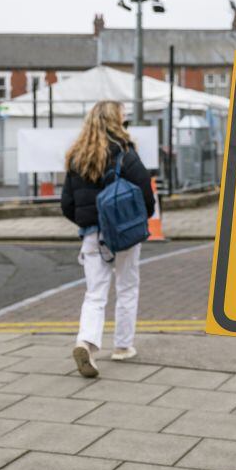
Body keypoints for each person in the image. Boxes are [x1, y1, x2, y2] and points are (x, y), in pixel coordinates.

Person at [61, 101, 155, 378]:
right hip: (124, 232)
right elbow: (146, 195)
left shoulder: (77, 156)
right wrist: (139, 219)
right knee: (127, 287)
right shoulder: (125, 153)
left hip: (92, 234)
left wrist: (88, 224)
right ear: (116, 121)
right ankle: (123, 346)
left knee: (95, 293)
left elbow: (67, 203)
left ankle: (86, 343)